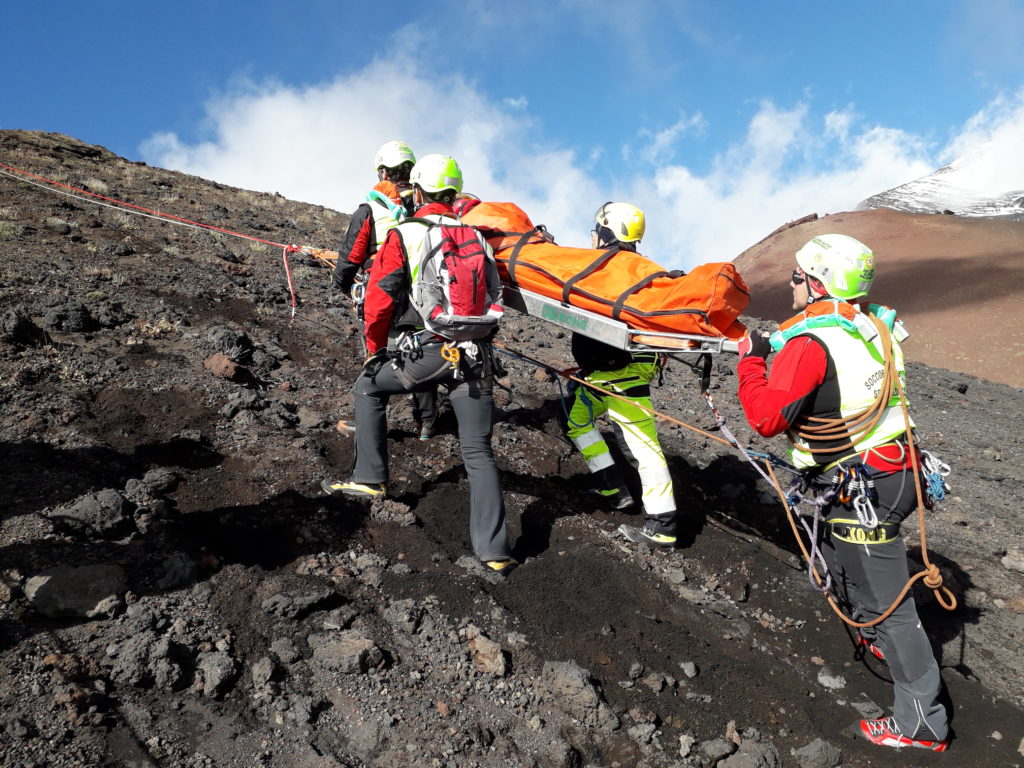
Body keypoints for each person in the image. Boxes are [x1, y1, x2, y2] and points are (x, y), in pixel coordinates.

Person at [735, 234, 949, 752]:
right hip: (890, 474)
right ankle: (877, 642)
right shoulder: (874, 322)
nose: (790, 283)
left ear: (816, 282)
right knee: (844, 561)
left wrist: (751, 361)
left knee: (892, 607)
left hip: (862, 488)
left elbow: (766, 418)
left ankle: (922, 723)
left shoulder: (810, 344)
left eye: (796, 276)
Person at [321, 154, 516, 575]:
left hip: (427, 352)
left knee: (368, 387)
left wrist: (374, 350)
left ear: (419, 190)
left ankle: (370, 479)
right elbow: (493, 297)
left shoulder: (405, 233)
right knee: (479, 451)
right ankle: (495, 551)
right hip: (476, 357)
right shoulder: (477, 236)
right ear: (455, 191)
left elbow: (378, 301)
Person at [565, 202, 678, 548]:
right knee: (576, 419)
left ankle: (663, 526)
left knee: (643, 449)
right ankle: (612, 485)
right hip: (603, 376)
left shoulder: (600, 270)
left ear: (605, 232)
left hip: (621, 379)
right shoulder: (647, 272)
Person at [332, 140, 437, 440]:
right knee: (421, 350)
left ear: (382, 172)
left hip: (381, 291)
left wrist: (345, 286)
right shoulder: (425, 206)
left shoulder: (370, 209)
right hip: (422, 295)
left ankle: (369, 422)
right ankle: (427, 422)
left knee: (376, 355)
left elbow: (349, 259)